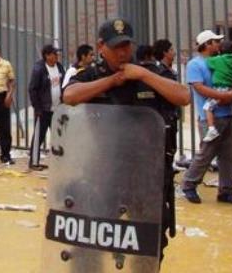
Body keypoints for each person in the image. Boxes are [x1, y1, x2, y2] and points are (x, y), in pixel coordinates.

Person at [63, 18, 190, 262]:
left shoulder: (150, 72)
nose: (123, 52)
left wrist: (141, 73)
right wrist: (112, 81)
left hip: (146, 176)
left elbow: (183, 96)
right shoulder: (90, 75)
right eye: (116, 47)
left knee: (146, 245)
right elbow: (69, 96)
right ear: (101, 46)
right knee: (92, 241)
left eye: (126, 46)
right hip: (103, 174)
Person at [180, 30, 232, 206]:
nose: (219, 45)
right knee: (206, 154)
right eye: (215, 42)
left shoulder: (222, 61)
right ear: (207, 44)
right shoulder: (195, 64)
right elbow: (199, 88)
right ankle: (189, 184)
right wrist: (223, 96)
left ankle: (226, 190)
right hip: (209, 116)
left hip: (227, 113)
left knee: (229, 155)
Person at [27, 44, 64, 171]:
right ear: (47, 56)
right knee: (39, 136)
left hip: (57, 109)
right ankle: (34, 162)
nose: (57, 56)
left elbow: (63, 84)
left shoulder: (59, 67)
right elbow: (32, 89)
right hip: (43, 110)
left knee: (59, 136)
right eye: (54, 54)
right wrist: (37, 108)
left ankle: (59, 161)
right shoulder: (39, 69)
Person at [202, 41, 232, 142]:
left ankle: (211, 129)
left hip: (220, 89)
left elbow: (208, 62)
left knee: (207, 107)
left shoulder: (218, 60)